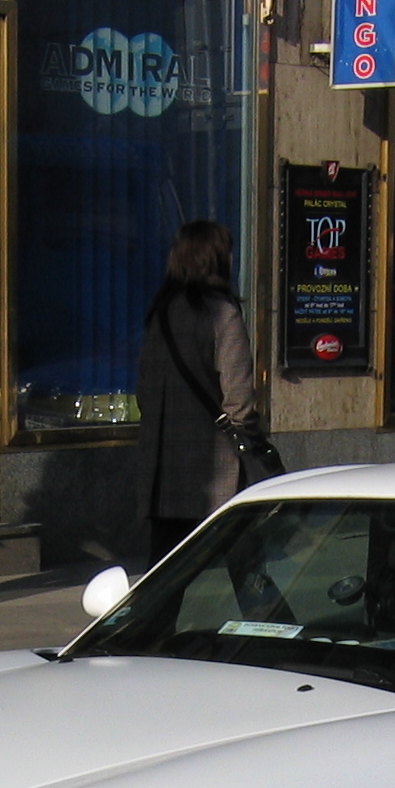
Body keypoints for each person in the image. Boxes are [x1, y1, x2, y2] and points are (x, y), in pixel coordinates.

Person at [134, 219, 258, 567]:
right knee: (247, 566)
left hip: (164, 473)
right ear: (216, 259)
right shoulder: (222, 314)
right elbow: (239, 402)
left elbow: (145, 393)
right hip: (216, 471)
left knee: (165, 575)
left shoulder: (160, 313)